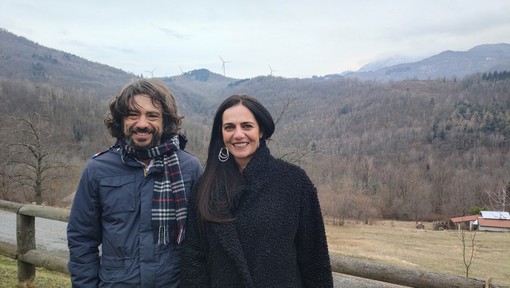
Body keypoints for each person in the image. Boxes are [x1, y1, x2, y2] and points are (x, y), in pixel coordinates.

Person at [182, 94, 333, 287]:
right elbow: (194, 259)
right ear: (221, 133)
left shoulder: (294, 182)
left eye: (247, 126)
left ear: (261, 130)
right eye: (229, 127)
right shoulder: (205, 187)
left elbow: (315, 261)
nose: (238, 135)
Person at [67, 78, 203, 287]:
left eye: (152, 115)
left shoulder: (189, 168)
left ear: (165, 121)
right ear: (121, 121)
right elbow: (82, 239)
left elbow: (200, 241)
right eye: (133, 115)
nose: (142, 123)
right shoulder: (98, 170)